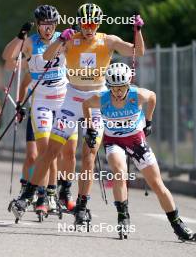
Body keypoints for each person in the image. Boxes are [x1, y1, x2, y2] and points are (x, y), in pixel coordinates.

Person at [16, 3, 145, 224]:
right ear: (79, 22)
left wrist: (139, 31)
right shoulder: (71, 39)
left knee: (89, 156)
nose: (89, 27)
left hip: (96, 101)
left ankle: (82, 205)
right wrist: (60, 40)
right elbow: (47, 57)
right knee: (52, 150)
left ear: (98, 23)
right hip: (72, 99)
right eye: (85, 23)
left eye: (93, 23)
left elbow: (138, 52)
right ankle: (28, 195)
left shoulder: (108, 40)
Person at [82, 62, 196, 241]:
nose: (118, 92)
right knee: (120, 173)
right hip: (114, 141)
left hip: (136, 141)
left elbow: (153, 97)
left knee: (157, 184)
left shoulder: (138, 95)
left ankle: (177, 224)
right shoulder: (101, 98)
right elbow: (85, 104)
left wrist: (148, 121)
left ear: (128, 84)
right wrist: (90, 128)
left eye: (122, 87)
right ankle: (123, 216)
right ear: (109, 87)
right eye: (114, 88)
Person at [2, 4, 76, 214]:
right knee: (43, 152)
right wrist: (20, 36)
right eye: (44, 24)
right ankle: (42, 194)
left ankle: (56, 192)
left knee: (65, 152)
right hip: (42, 102)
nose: (48, 28)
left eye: (51, 24)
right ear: (37, 24)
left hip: (63, 101)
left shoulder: (65, 38)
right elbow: (8, 57)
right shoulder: (31, 42)